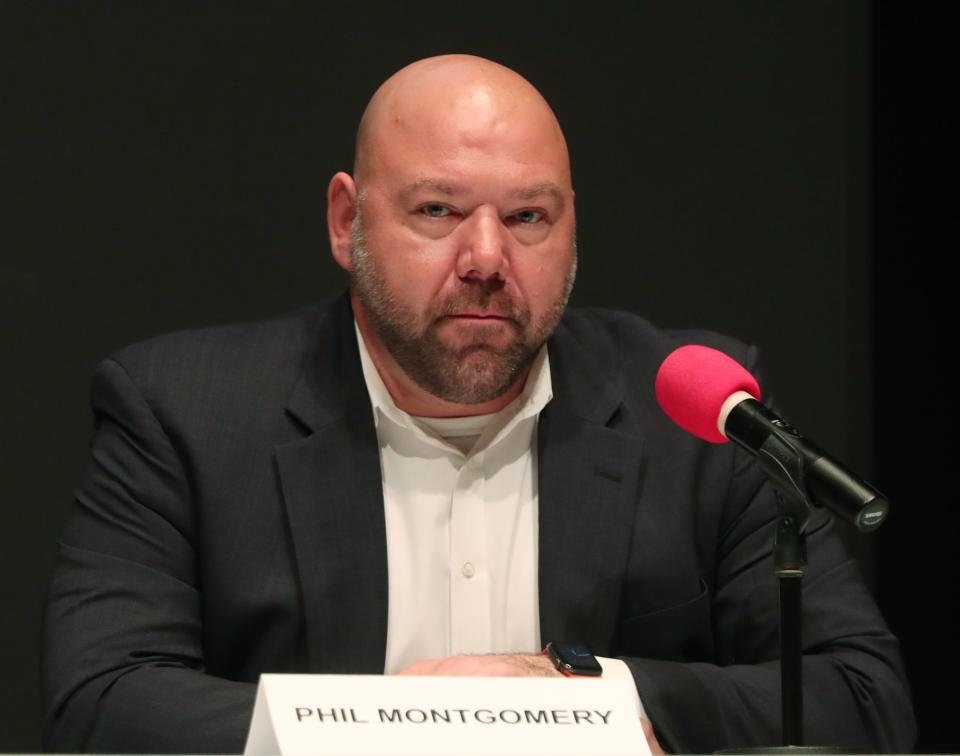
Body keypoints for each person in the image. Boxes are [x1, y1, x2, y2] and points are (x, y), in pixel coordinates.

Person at [42, 54, 915, 754]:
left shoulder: (696, 415)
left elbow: (861, 697)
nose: (488, 257)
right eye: (437, 209)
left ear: (574, 224)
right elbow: (102, 703)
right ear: (347, 222)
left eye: (529, 217)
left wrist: (570, 698)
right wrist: (393, 727)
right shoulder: (185, 411)